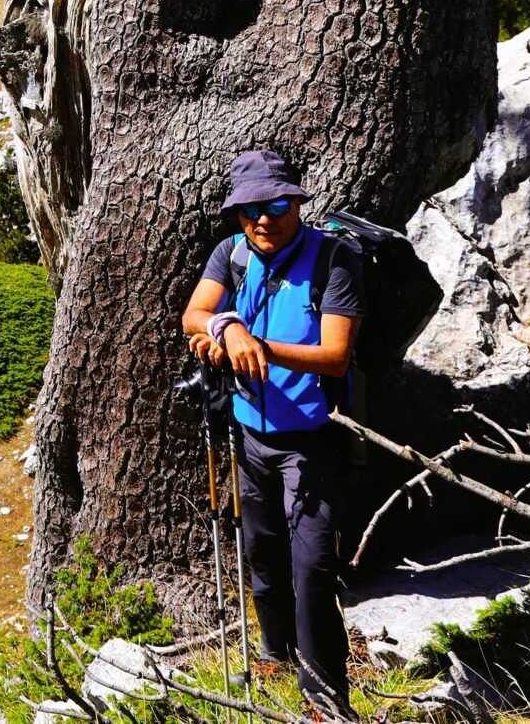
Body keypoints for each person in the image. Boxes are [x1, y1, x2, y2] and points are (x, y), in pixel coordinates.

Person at [182, 148, 363, 716]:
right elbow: (194, 314)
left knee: (311, 568)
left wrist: (256, 346)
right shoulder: (231, 254)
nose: (264, 218)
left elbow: (335, 356)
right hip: (248, 434)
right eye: (250, 208)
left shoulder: (335, 259)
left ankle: (326, 699)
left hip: (312, 440)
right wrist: (225, 326)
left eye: (278, 204)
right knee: (261, 551)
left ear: (299, 203)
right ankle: (275, 652)